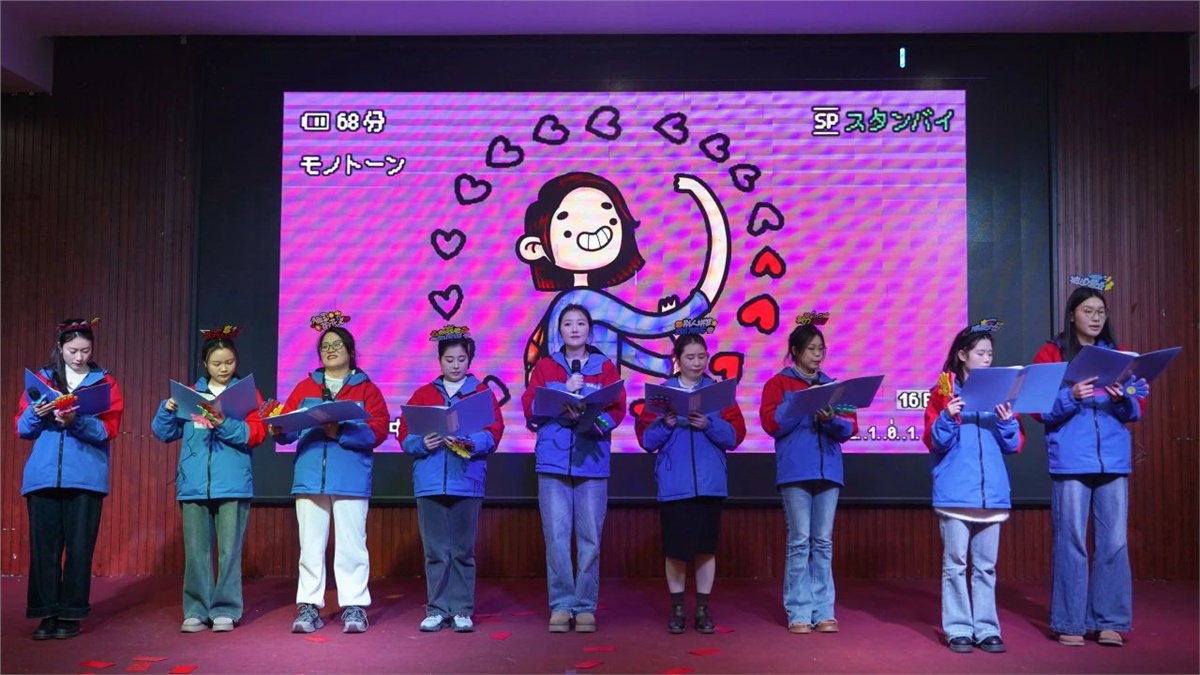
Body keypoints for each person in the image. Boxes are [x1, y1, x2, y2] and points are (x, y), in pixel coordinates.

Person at [516, 171, 731, 381]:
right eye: (567, 219)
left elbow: (628, 352)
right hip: (575, 402)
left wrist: (670, 361)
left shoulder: (588, 309)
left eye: (607, 211)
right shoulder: (581, 300)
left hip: (599, 402)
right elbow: (653, 325)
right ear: (534, 248)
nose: (595, 227)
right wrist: (695, 304)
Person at [1032, 280, 1146, 648]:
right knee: (1071, 542)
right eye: (1088, 311)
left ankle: (1108, 620)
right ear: (1072, 315)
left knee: (1114, 542)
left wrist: (1122, 399)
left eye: (1101, 312)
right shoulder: (1051, 353)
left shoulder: (1120, 355)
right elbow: (1038, 410)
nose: (1095, 318)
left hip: (1113, 461)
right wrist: (1071, 395)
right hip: (1071, 461)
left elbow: (1135, 410)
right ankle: (1069, 621)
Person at [273, 311, 390, 634]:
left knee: (352, 546)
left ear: (350, 351)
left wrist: (342, 432)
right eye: (325, 346)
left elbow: (379, 430)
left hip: (351, 478)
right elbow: (288, 429)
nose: (330, 350)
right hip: (310, 477)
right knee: (310, 546)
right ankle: (309, 606)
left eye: (337, 344)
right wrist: (278, 427)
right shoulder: (306, 386)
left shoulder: (367, 389)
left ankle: (354, 605)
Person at [151, 325, 267, 633]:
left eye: (229, 362)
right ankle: (196, 609)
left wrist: (223, 423)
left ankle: (226, 609)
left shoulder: (247, 394)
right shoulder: (190, 394)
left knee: (230, 552)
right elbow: (163, 433)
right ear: (205, 364)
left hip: (233, 483)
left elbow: (255, 434)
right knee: (196, 552)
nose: (224, 368)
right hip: (193, 485)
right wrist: (167, 410)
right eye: (217, 363)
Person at [16, 318, 124, 640]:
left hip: (86, 478)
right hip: (43, 477)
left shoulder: (104, 382)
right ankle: (46, 614)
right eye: (73, 350)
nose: (79, 357)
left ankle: (71, 615)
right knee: (44, 550)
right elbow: (22, 429)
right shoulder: (42, 379)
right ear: (60, 348)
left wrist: (76, 421)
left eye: (85, 350)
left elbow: (108, 429)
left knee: (79, 550)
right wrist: (37, 412)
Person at [520, 303, 626, 633]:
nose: (575, 329)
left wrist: (594, 422)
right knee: (556, 537)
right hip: (553, 461)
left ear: (589, 330)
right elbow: (530, 406)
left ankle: (584, 606)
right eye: (568, 324)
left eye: (581, 323)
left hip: (591, 461)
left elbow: (617, 409)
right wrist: (562, 391)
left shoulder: (604, 366)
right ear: (560, 331)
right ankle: (562, 604)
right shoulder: (545, 366)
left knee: (590, 538)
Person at [634, 322, 746, 634]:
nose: (697, 363)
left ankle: (703, 610)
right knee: (676, 550)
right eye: (690, 357)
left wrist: (709, 425)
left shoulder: (718, 393)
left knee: (706, 548)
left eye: (701, 357)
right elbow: (646, 440)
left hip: (711, 484)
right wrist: (666, 424)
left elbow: (735, 436)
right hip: (675, 484)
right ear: (677, 360)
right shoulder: (662, 395)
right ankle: (678, 609)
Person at [923, 321, 1023, 653]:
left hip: (991, 494)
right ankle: (958, 628)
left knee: (986, 567)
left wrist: (1007, 421)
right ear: (963, 355)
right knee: (955, 564)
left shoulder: (1002, 393)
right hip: (955, 493)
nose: (987, 359)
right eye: (980, 353)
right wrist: (948, 415)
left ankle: (987, 628)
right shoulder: (943, 392)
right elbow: (935, 442)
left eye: (990, 354)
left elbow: (1014, 444)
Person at [398, 325, 505, 633]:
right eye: (449, 359)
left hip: (467, 480)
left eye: (461, 359)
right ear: (440, 361)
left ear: (469, 359)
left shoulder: (481, 393)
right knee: (435, 551)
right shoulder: (424, 394)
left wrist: (471, 442)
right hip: (430, 481)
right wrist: (422, 443)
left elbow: (494, 433)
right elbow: (405, 435)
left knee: (462, 551)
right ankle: (436, 609)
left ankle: (461, 609)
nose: (456, 365)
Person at [758, 312, 857, 634]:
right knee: (800, 542)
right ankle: (799, 611)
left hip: (829, 471)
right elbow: (771, 424)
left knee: (823, 542)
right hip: (795, 472)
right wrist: (799, 404)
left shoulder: (834, 386)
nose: (817, 355)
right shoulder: (778, 384)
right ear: (795, 352)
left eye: (821, 349)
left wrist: (830, 419)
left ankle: (824, 611)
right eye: (811, 349)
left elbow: (849, 428)